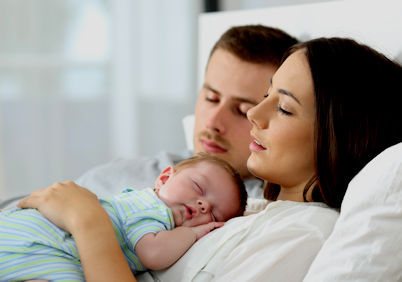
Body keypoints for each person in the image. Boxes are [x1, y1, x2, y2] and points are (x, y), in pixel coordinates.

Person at [18, 37, 402, 281]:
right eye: (267, 95)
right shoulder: (248, 209)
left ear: (338, 138)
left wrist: (88, 220)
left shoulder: (303, 233)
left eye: (283, 107)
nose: (255, 114)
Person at [0, 25, 297, 210]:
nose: (212, 123)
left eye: (241, 111)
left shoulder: (266, 212)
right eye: (210, 98)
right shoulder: (132, 173)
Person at [0, 153, 247, 281]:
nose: (203, 204)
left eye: (214, 213)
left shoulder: (137, 202)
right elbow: (152, 253)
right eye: (198, 187)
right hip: (52, 239)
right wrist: (193, 233)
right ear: (163, 179)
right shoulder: (154, 210)